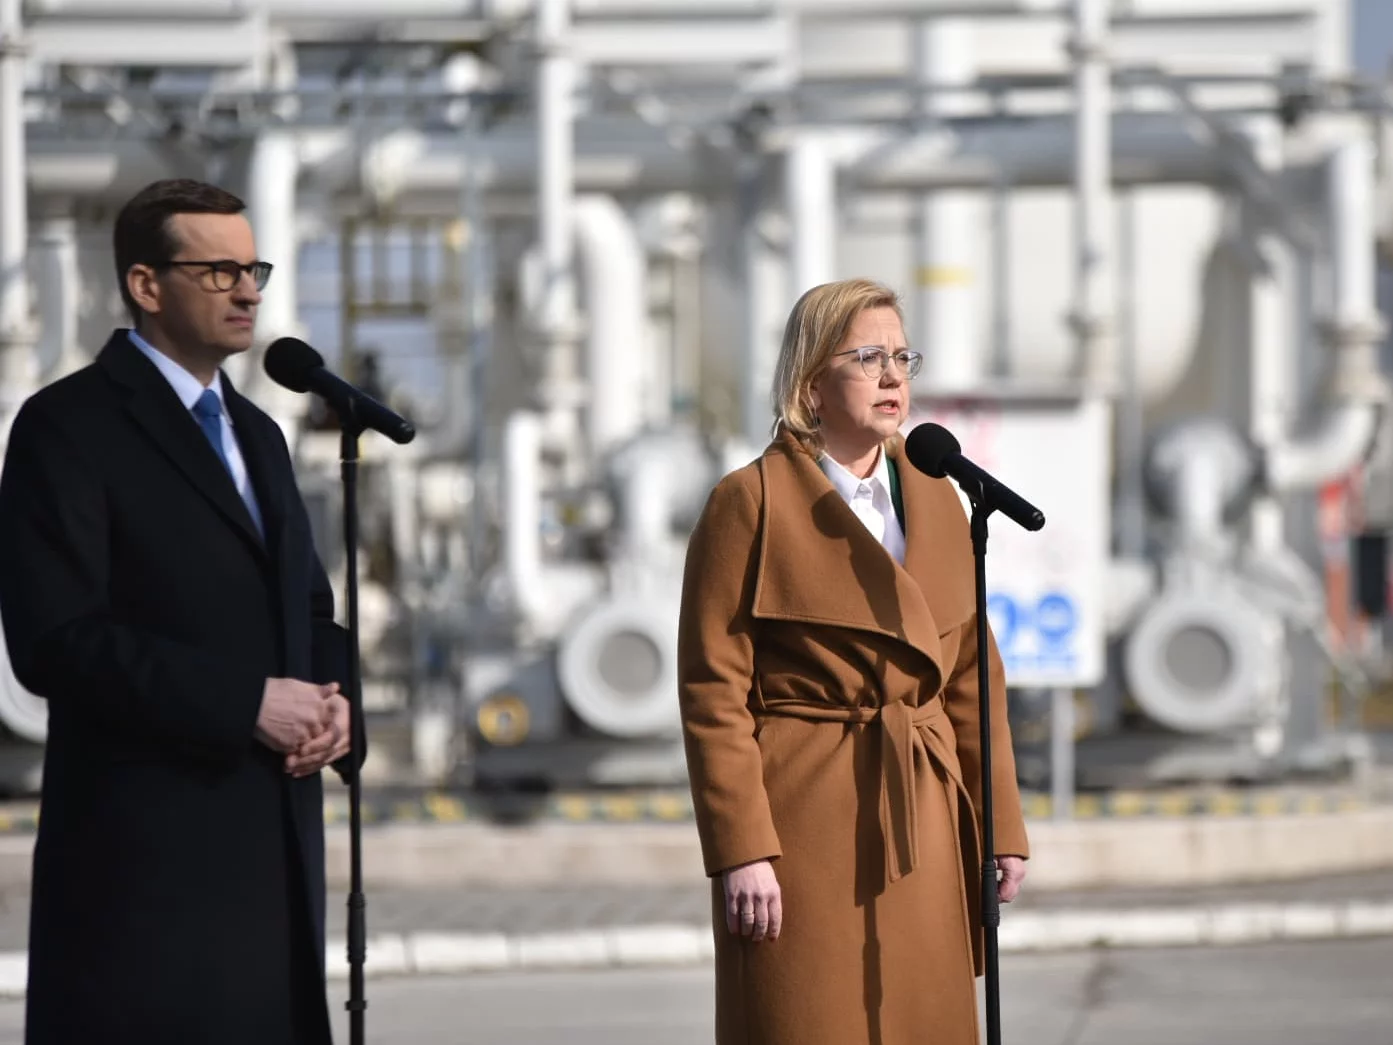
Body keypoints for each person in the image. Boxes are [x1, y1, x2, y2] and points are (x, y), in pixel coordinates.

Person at [0, 178, 361, 1045]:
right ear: (146, 284)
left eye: (254, 268)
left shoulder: (261, 435)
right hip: (147, 870)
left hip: (273, 858)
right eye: (219, 270)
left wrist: (335, 700)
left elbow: (310, 605)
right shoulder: (67, 426)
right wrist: (247, 703)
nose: (248, 290)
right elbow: (58, 640)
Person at [677, 277, 1030, 1045]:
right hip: (803, 819)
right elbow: (713, 690)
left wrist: (999, 824)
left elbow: (970, 673)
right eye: (867, 356)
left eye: (902, 355)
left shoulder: (936, 495)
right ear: (810, 384)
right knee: (811, 1018)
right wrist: (742, 850)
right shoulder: (750, 502)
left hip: (922, 813)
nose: (893, 374)